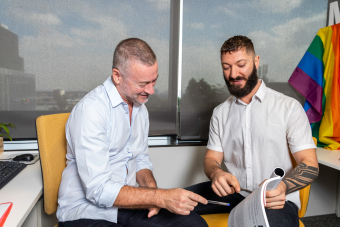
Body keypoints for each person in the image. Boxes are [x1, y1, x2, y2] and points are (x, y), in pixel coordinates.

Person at [57, 38, 208, 227]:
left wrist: (153, 196)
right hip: (85, 212)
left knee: (195, 225)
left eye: (154, 81)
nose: (151, 90)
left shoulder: (140, 108)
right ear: (117, 76)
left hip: (127, 207)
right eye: (143, 83)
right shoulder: (91, 110)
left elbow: (141, 159)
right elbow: (98, 190)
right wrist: (160, 197)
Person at [186, 35, 319, 227]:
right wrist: (216, 173)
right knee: (170, 206)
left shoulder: (288, 107)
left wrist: (284, 186)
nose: (233, 74)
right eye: (226, 67)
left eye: (241, 64)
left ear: (256, 61)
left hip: (275, 199)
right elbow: (210, 160)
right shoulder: (220, 113)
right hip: (234, 194)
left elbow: (310, 164)